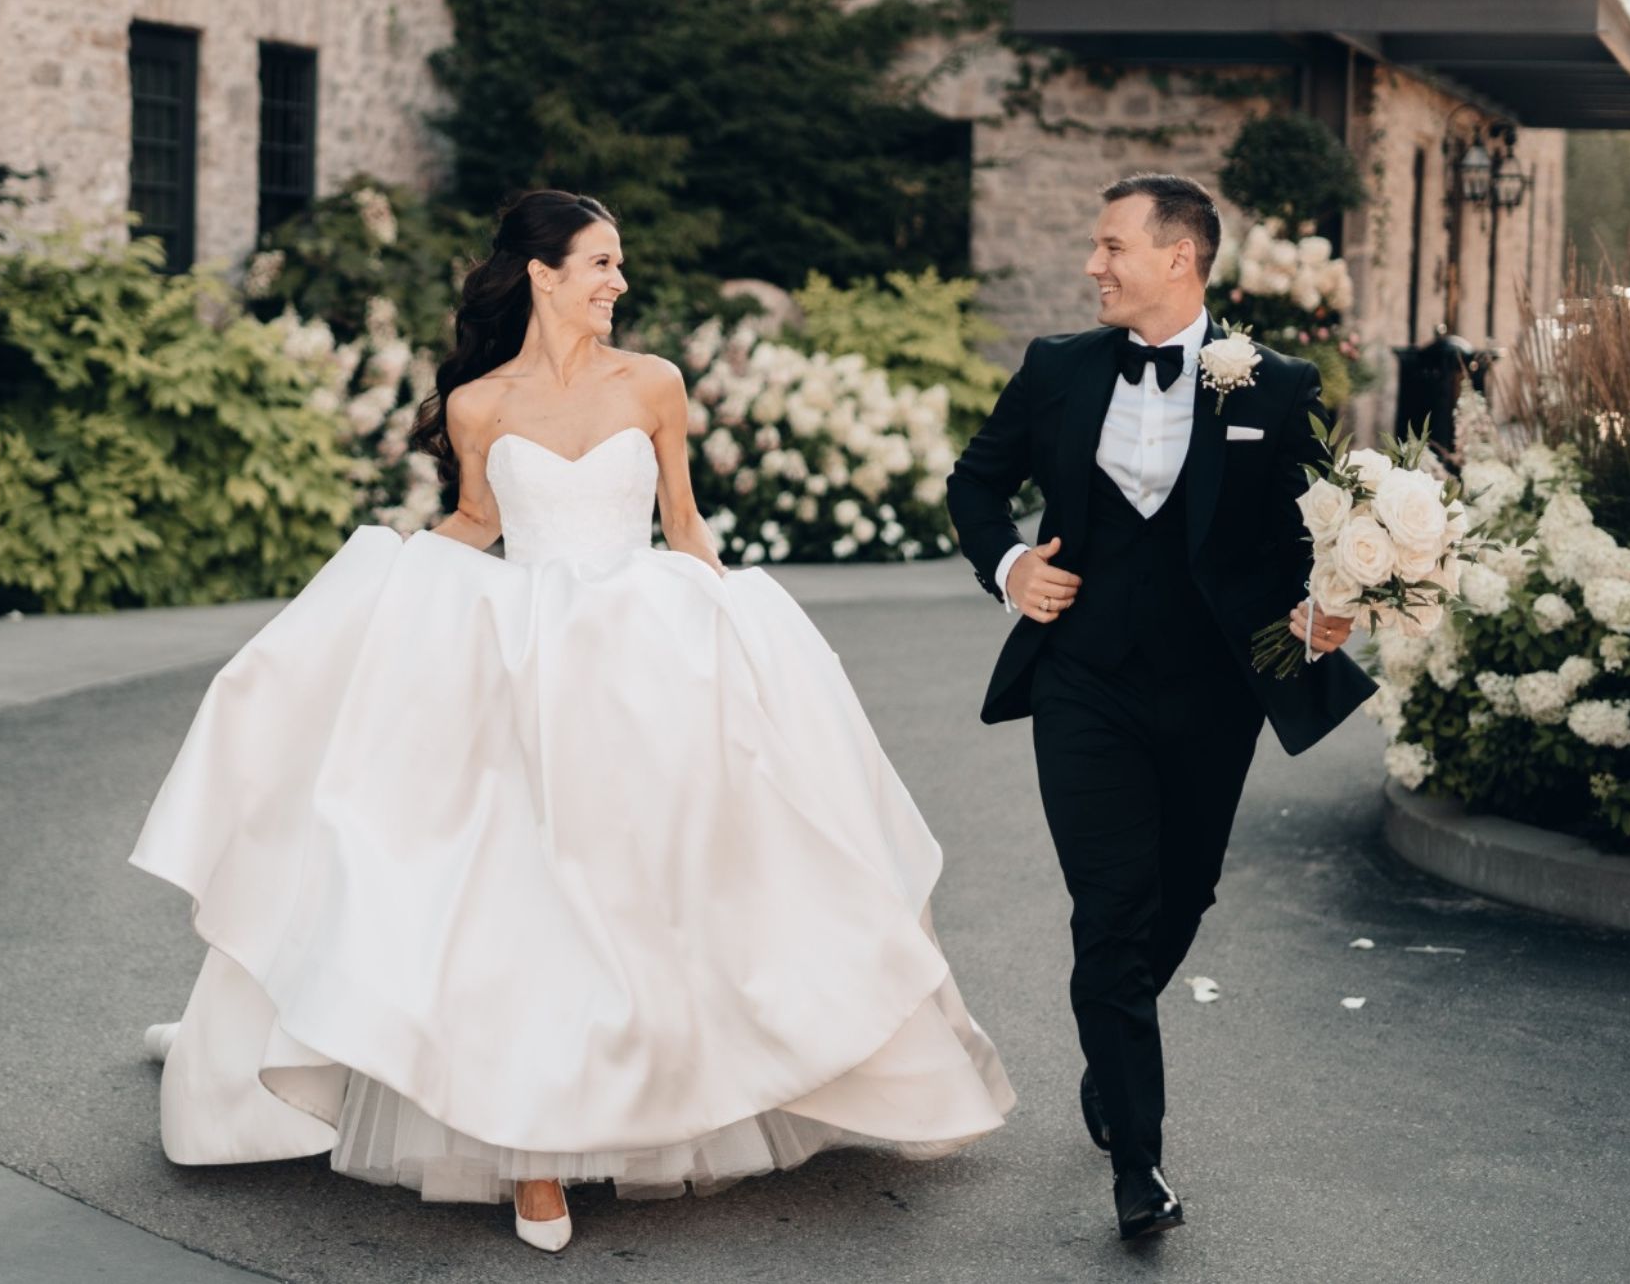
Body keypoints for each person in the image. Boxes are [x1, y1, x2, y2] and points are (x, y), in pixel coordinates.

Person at [129, 190, 1013, 1254]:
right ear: (543, 273)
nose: (617, 281)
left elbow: (682, 527)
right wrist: (383, 590)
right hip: (521, 654)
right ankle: (530, 1154)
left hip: (647, 653)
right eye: (599, 262)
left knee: (664, 884)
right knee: (510, 889)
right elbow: (477, 522)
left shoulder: (653, 383)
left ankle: (672, 1085)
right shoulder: (478, 404)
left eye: (618, 262)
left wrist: (746, 647)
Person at [944, 173, 1375, 1242]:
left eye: (1109, 247)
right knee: (1110, 908)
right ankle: (1137, 1160)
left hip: (1211, 693)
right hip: (1079, 681)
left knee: (1179, 895)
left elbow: (1313, 530)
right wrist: (1008, 567)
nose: (1092, 265)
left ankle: (1111, 1043)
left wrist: (1330, 608)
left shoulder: (1273, 386)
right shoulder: (1055, 369)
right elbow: (974, 482)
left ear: (1176, 258)